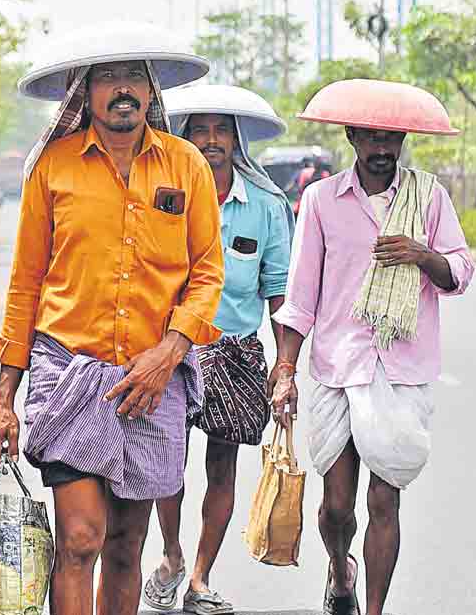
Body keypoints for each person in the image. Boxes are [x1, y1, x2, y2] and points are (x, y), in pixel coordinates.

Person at [0, 22, 223, 615]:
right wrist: (4, 396)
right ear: (84, 92)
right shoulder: (54, 167)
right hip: (69, 372)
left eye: (134, 77)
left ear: (150, 90)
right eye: (108, 78)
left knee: (124, 546)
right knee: (81, 537)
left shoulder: (186, 166)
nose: (123, 90)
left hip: (152, 380)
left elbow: (207, 273)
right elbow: (26, 281)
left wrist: (168, 353)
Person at [268, 79, 473, 615]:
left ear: (403, 140)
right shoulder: (320, 200)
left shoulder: (429, 197)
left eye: (392, 138)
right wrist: (285, 370)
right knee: (337, 508)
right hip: (338, 368)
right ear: (352, 137)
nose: (383, 148)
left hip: (401, 371)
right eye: (372, 137)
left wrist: (421, 254)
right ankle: (341, 572)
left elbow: (460, 270)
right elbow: (300, 297)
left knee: (385, 500)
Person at [144, 85, 293, 615]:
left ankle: (200, 578)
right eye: (201, 130)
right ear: (185, 138)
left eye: (221, 130)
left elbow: (278, 291)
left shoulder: (268, 207)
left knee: (222, 468)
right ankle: (172, 555)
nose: (211, 141)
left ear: (236, 140)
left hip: (236, 352)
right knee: (167, 465)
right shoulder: (164, 197)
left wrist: (285, 366)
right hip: (170, 349)